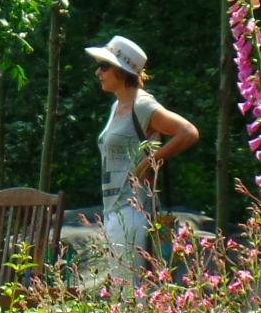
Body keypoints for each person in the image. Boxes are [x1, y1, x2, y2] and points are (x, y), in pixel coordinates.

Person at [84, 35, 199, 290]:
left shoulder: (143, 105)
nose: (98, 72)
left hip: (133, 209)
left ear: (123, 70)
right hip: (113, 208)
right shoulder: (117, 106)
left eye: (104, 66)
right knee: (122, 292)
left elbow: (188, 132)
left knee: (129, 293)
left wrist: (152, 160)